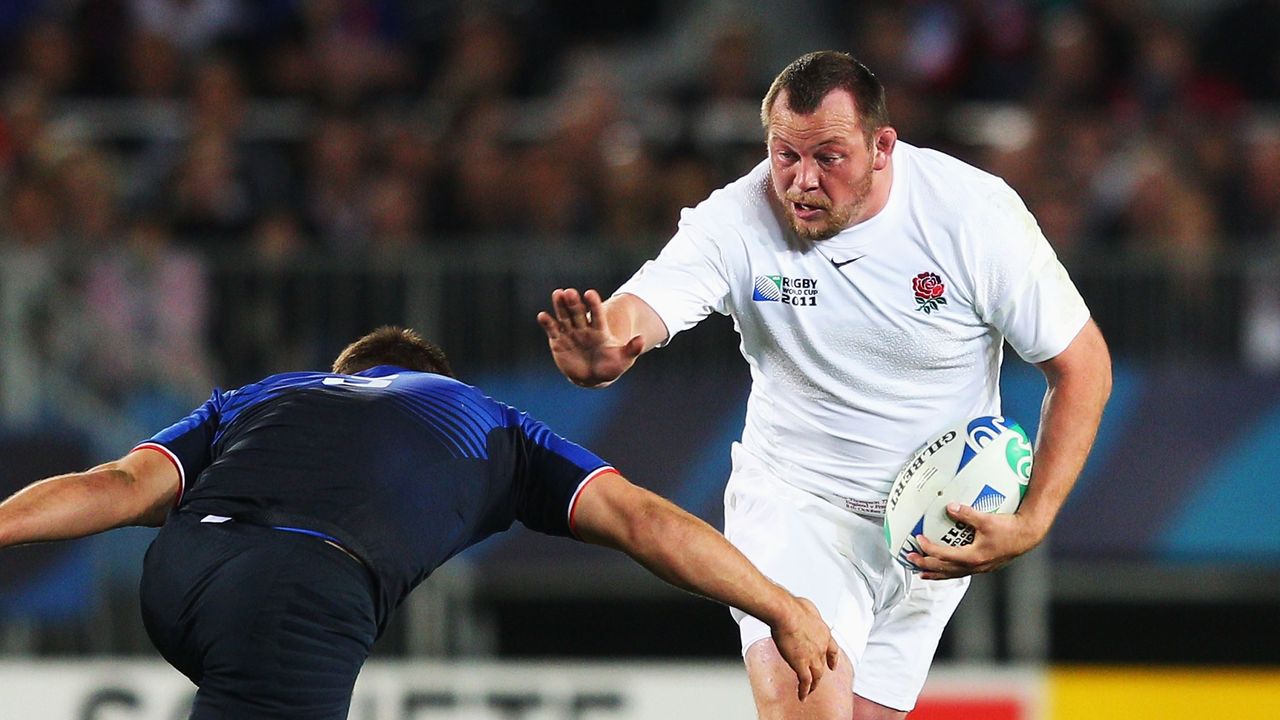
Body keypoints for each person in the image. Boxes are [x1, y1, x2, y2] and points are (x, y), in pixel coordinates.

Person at [537, 51, 1112, 720]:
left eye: (829, 158)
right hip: (796, 511)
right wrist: (605, 346)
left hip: (932, 529)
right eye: (785, 155)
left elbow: (1082, 367)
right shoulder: (738, 222)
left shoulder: (972, 216)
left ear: (881, 147)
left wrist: (1033, 522)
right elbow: (640, 311)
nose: (801, 182)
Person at [0, 326, 838, 719]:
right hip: (296, 593)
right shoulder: (486, 419)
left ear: (349, 377)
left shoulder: (269, 393)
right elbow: (646, 521)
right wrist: (781, 605)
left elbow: (114, 484)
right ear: (431, 379)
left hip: (179, 577)